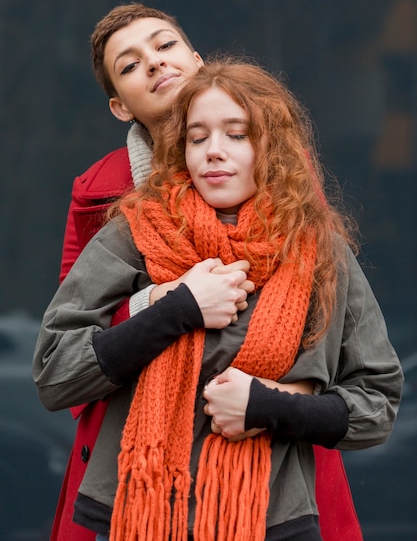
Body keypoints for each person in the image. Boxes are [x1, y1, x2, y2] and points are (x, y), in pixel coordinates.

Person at [33, 57, 403, 541]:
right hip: (138, 515)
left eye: (237, 133)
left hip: (272, 520)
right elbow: (55, 373)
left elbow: (377, 401)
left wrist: (266, 407)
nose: (213, 151)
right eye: (198, 136)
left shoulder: (317, 250)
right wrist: (178, 309)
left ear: (271, 145)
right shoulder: (133, 232)